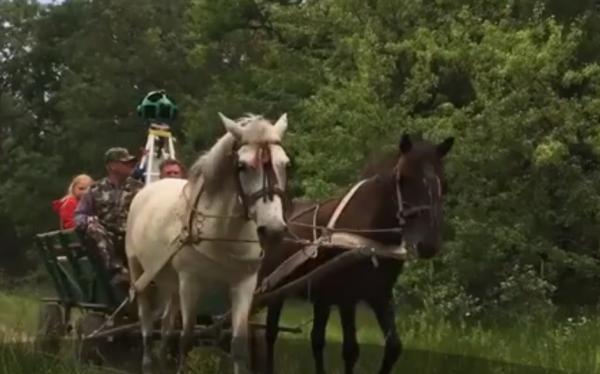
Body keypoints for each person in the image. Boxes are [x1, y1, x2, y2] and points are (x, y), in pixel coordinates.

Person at [74, 147, 143, 277]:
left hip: (133, 236)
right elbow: (79, 215)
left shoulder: (139, 188)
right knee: (93, 228)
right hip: (107, 238)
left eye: (131, 162)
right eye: (125, 162)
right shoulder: (95, 190)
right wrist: (88, 220)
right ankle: (118, 271)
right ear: (112, 166)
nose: (131, 165)